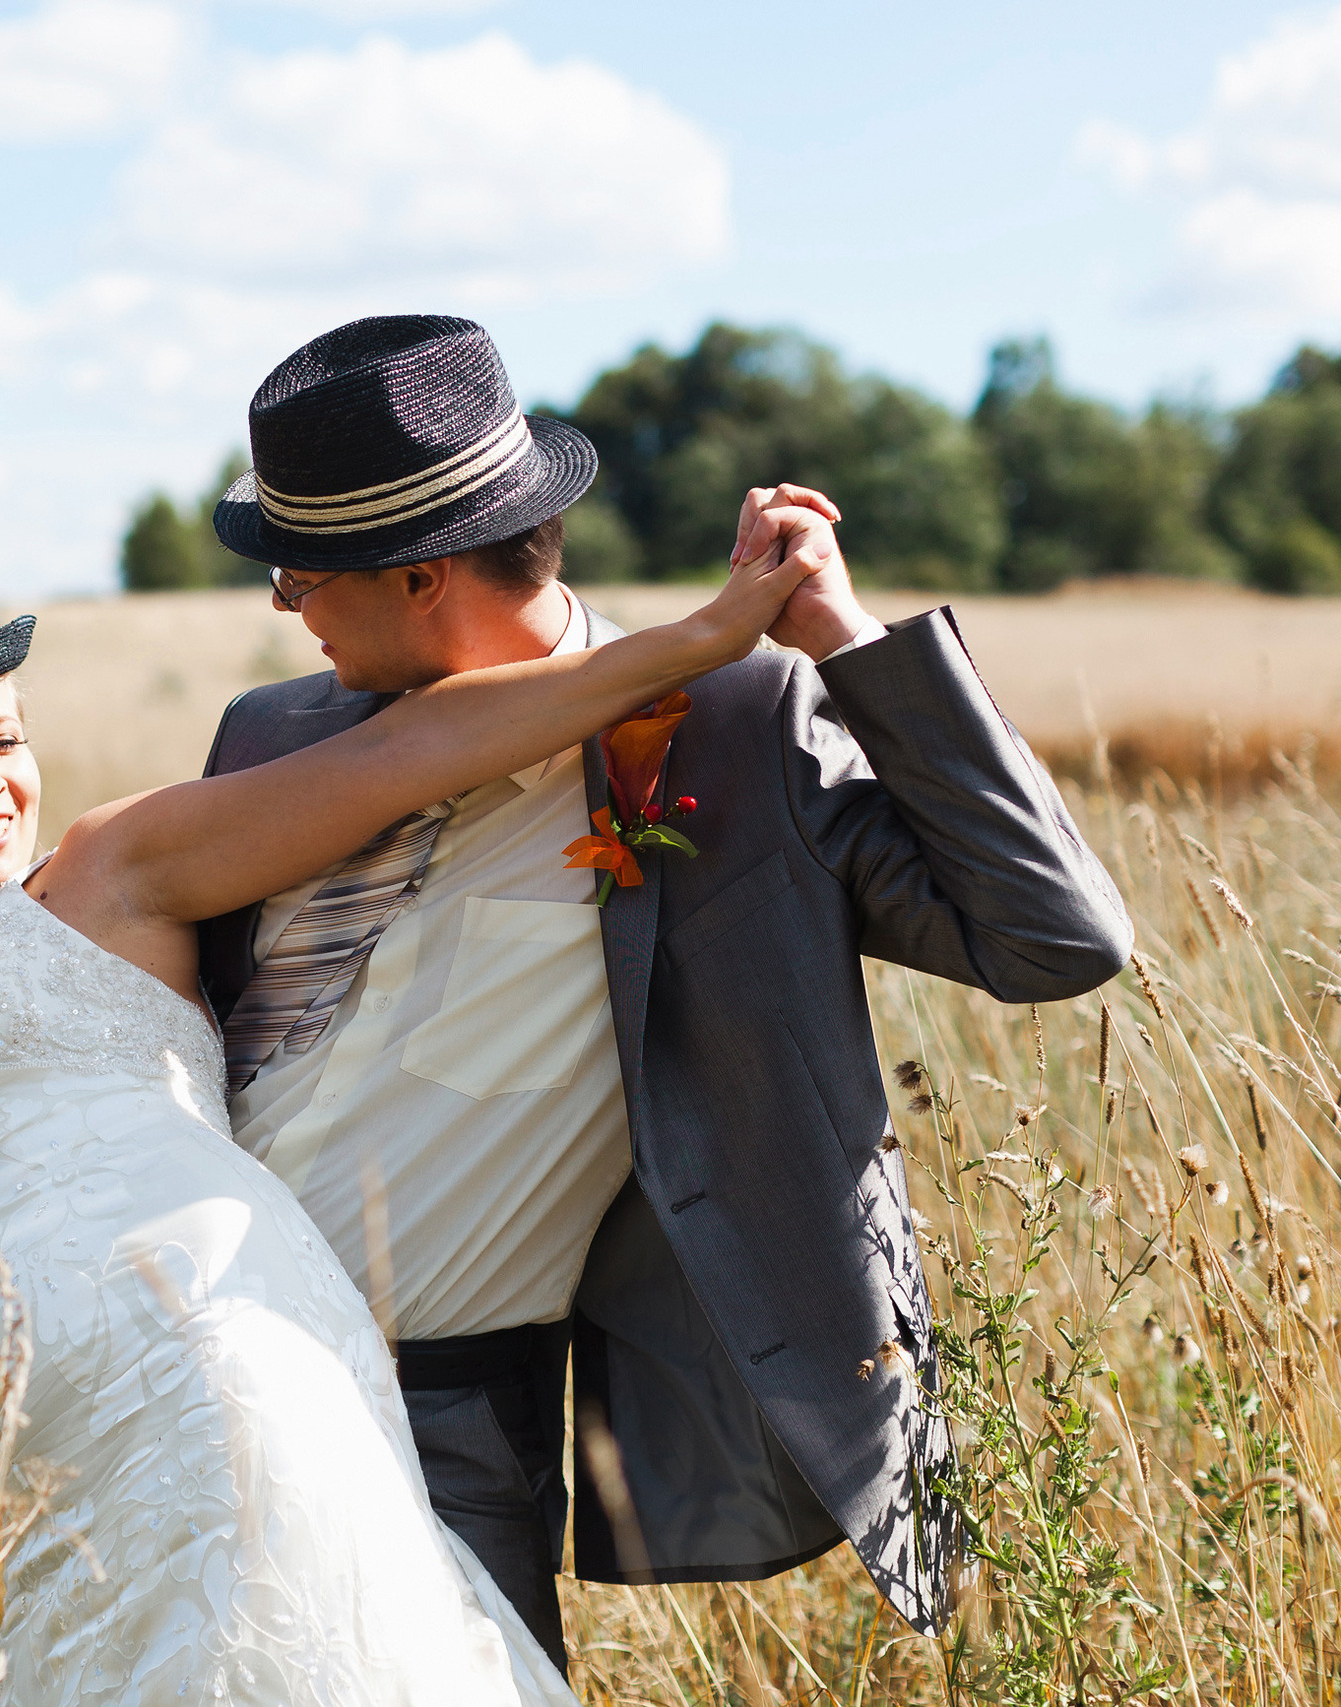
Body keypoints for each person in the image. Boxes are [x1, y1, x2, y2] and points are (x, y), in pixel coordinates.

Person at [189, 314, 1134, 1667]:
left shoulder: (736, 727)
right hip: (203, 1368)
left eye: (299, 573)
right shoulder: (268, 734)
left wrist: (850, 641)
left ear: (418, 574)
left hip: (450, 1413)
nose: (286, 604)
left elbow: (1059, 934)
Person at [0, 524, 820, 1704]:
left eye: (3, 736)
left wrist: (699, 640)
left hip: (223, 1365)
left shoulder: (108, 872)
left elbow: (416, 751)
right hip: (75, 1470)